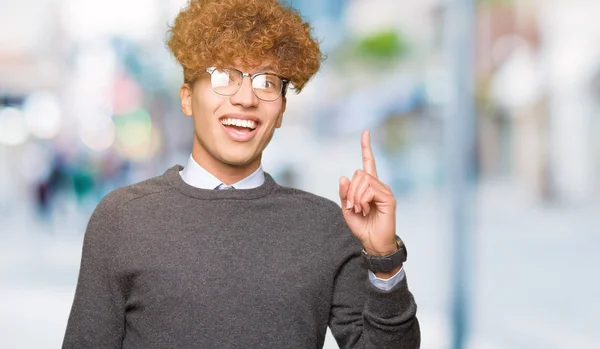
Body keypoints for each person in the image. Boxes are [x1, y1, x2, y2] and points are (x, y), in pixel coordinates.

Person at [62, 0, 420, 348]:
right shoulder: (122, 218)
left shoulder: (326, 226)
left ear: (280, 111)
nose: (246, 98)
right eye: (224, 76)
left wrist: (384, 261)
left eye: (266, 82)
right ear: (187, 98)